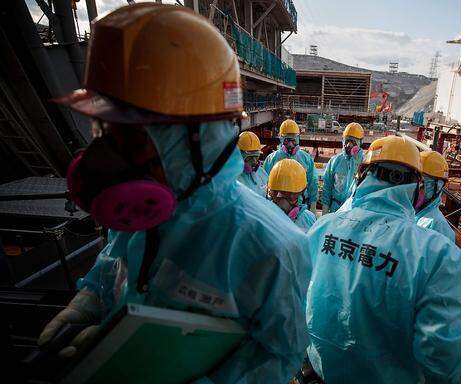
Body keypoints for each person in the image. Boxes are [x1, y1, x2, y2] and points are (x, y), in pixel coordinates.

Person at [37, 4, 311, 383]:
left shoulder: (272, 250)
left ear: (201, 137)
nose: (111, 155)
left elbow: (279, 355)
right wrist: (91, 300)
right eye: (104, 130)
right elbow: (114, 263)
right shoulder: (141, 214)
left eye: (132, 137)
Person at [305, 135, 461, 384]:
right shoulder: (437, 254)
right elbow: (447, 363)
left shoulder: (322, 228)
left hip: (319, 374)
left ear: (362, 177)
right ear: (418, 189)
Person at [263, 119, 318, 213]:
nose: (290, 144)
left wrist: (313, 205)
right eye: (287, 140)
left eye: (294, 140)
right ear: (281, 139)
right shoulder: (271, 159)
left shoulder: (306, 159)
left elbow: (312, 182)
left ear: (298, 138)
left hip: (301, 205)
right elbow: (265, 184)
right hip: (276, 205)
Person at [321, 122, 365, 214]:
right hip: (335, 210)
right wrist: (325, 209)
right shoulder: (335, 161)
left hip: (354, 211)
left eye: (353, 142)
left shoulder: (366, 163)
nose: (349, 145)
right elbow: (327, 187)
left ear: (360, 142)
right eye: (347, 140)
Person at [415, 150, 456, 242]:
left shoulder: (438, 228)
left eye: (422, 184)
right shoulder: (412, 212)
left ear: (437, 187)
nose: (415, 189)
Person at [267, 159, 317, 232]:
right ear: (269, 191)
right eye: (276, 192)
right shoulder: (262, 219)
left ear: (302, 191)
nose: (283, 201)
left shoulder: (309, 219)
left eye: (290, 194)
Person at [237, 131, 268, 196]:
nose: (254, 161)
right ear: (239, 154)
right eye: (250, 157)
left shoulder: (262, 173)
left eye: (256, 157)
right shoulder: (234, 179)